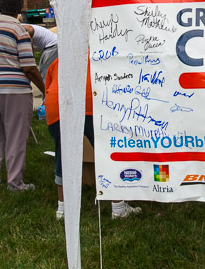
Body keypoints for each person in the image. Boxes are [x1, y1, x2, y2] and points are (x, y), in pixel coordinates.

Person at [45, 57, 141, 219]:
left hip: (58, 106)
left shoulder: (60, 58)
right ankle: (118, 208)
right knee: (110, 154)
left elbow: (48, 86)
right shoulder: (108, 55)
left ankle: (62, 210)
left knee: (63, 157)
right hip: (93, 103)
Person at [0, 0, 44, 191]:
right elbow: (29, 67)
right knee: (15, 136)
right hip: (15, 90)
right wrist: (44, 89)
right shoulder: (19, 30)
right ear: (20, 8)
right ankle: (15, 182)